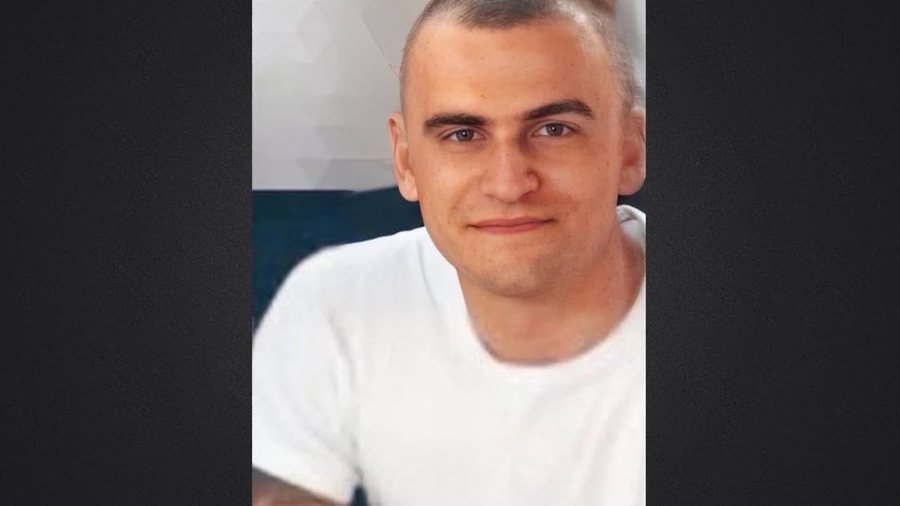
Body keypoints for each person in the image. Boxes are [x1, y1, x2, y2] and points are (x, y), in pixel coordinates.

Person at [252, 0, 646, 504]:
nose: (508, 184)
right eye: (462, 135)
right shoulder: (335, 303)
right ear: (405, 161)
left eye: (554, 130)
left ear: (630, 150)